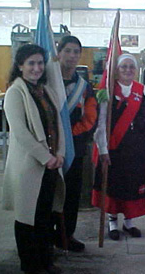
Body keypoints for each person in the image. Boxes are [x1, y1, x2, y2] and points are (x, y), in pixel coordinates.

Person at [2, 44, 65, 274]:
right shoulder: (14, 93)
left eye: (40, 63)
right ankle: (30, 266)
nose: (37, 68)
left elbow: (58, 126)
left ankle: (45, 261)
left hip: (50, 163)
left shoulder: (45, 90)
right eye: (31, 63)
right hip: (29, 166)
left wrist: (60, 154)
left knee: (45, 216)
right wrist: (45, 157)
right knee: (27, 217)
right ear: (20, 66)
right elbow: (20, 133)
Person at [92, 54, 145, 241]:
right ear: (116, 69)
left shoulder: (144, 91)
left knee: (132, 185)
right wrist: (103, 150)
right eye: (123, 66)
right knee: (114, 186)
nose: (127, 70)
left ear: (137, 69)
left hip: (136, 149)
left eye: (131, 67)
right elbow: (100, 124)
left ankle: (129, 223)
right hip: (114, 148)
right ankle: (112, 222)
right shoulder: (107, 91)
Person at [52, 36, 98, 252]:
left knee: (71, 194)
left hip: (74, 149)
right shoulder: (47, 82)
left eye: (75, 52)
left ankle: (66, 235)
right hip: (49, 149)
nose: (71, 56)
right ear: (58, 53)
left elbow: (90, 119)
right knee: (49, 194)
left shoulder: (84, 87)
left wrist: (68, 135)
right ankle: (46, 236)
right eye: (67, 51)